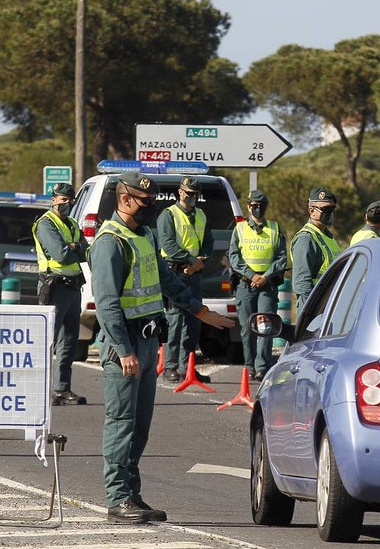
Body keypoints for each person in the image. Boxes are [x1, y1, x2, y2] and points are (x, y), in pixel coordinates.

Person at [89, 172, 235, 524]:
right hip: (123, 345)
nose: (150, 208)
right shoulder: (110, 241)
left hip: (147, 339)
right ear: (124, 200)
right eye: (145, 202)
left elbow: (167, 280)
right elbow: (107, 303)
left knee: (140, 425)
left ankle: (132, 494)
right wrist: (123, 350)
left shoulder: (144, 235)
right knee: (122, 422)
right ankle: (118, 498)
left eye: (153, 202)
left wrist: (201, 311)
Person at [32, 182, 89, 406]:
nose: (67, 203)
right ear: (53, 199)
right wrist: (74, 247)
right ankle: (38, 389)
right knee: (47, 340)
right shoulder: (46, 223)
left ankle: (61, 390)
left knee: (69, 342)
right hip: (54, 286)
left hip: (73, 287)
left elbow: (86, 251)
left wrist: (74, 247)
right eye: (62, 199)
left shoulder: (73, 224)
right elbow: (61, 254)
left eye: (70, 200)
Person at [156, 176, 213, 383]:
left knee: (194, 320)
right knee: (175, 321)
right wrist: (190, 260)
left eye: (195, 195)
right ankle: (170, 366)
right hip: (175, 273)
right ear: (180, 192)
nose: (192, 198)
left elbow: (208, 243)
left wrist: (201, 260)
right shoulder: (168, 214)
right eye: (188, 194)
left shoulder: (201, 215)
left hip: (194, 275)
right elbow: (168, 245)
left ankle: (187, 367)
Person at [228, 189, 288, 381]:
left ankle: (262, 366)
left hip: (267, 285)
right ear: (248, 206)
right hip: (245, 284)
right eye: (254, 206)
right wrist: (252, 275)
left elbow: (281, 259)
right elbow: (234, 257)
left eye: (261, 206)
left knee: (265, 326)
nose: (257, 209)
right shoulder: (239, 229)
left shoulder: (275, 229)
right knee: (247, 328)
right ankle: (249, 366)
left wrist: (265, 276)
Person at [291, 187, 342, 313]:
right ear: (312, 211)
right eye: (325, 209)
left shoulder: (327, 236)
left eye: (332, 208)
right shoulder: (306, 239)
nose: (330, 212)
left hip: (330, 308)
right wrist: (316, 309)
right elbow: (301, 283)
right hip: (314, 312)